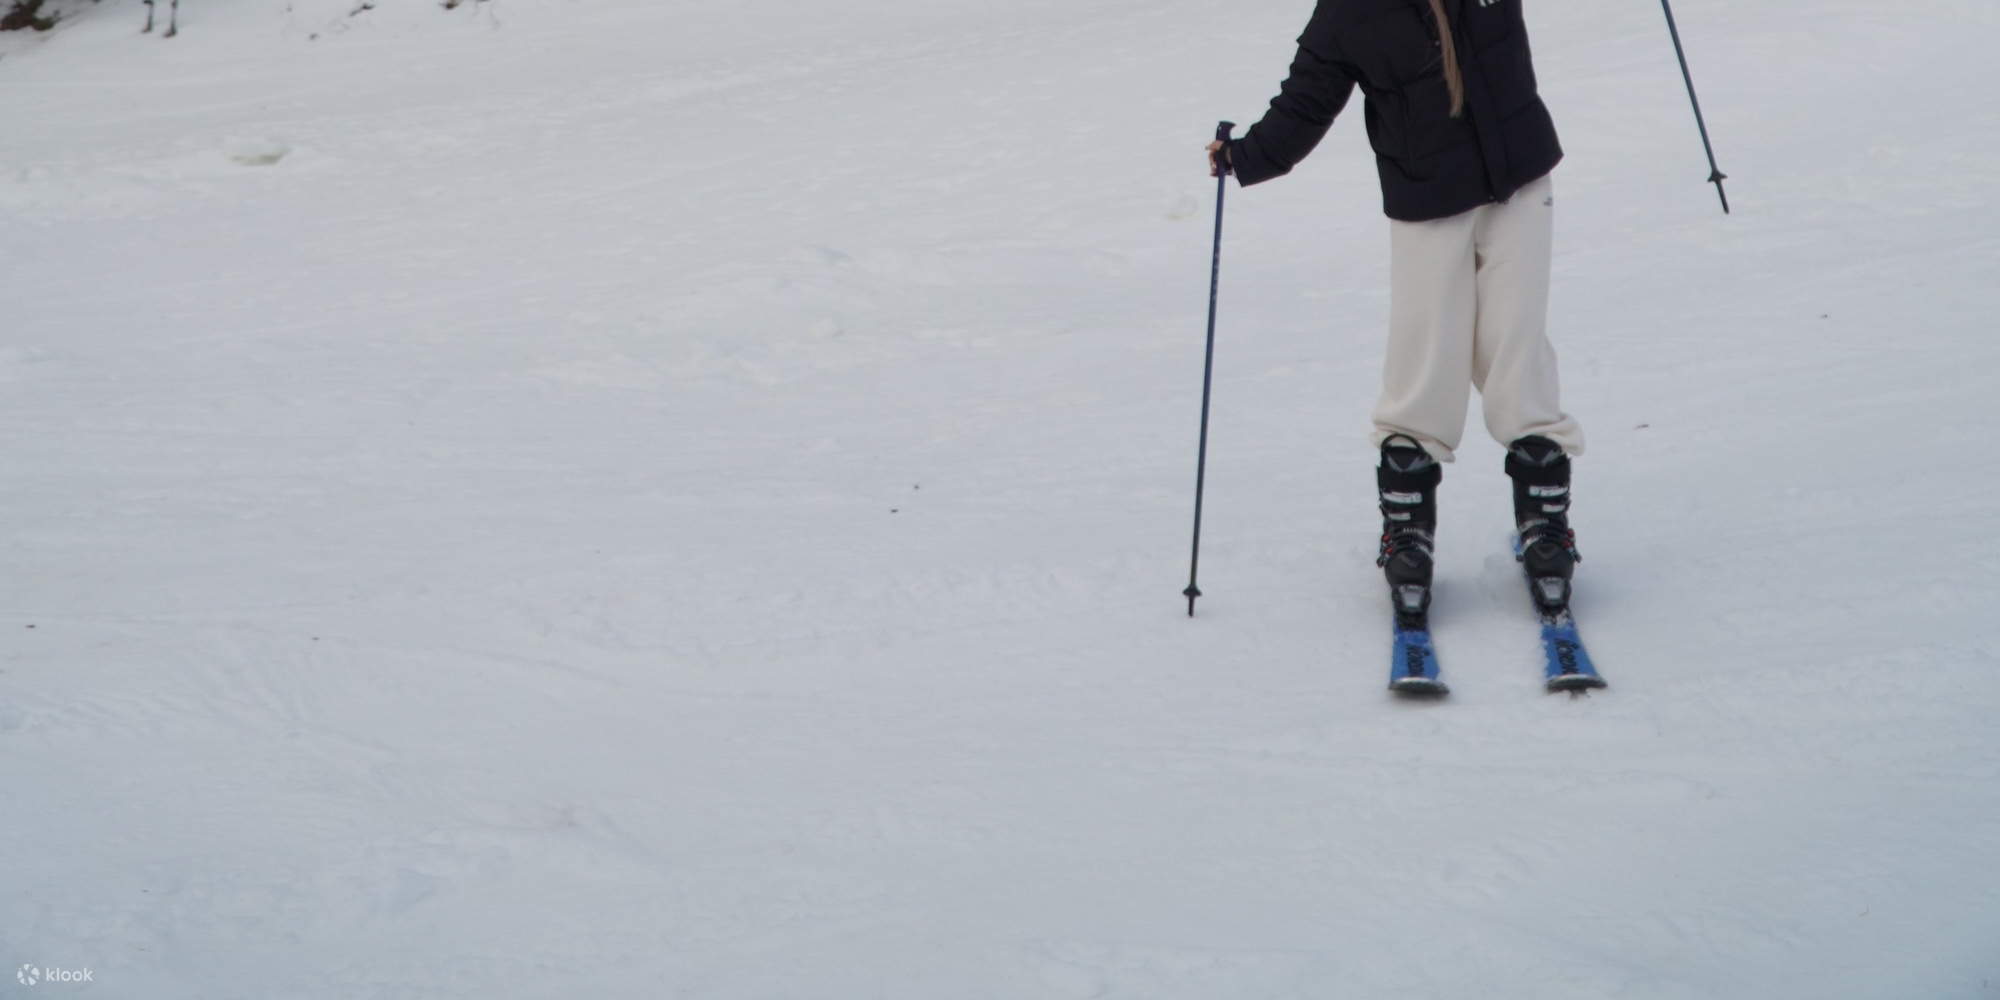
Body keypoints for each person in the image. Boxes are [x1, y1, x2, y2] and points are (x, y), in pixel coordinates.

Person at [1205, 0, 1585, 618]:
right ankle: (1408, 531)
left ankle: (1545, 524)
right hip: (1429, 205)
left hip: (1519, 183)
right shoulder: (1350, 11)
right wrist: (1242, 155)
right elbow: (1305, 104)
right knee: (1425, 359)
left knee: (1517, 347)